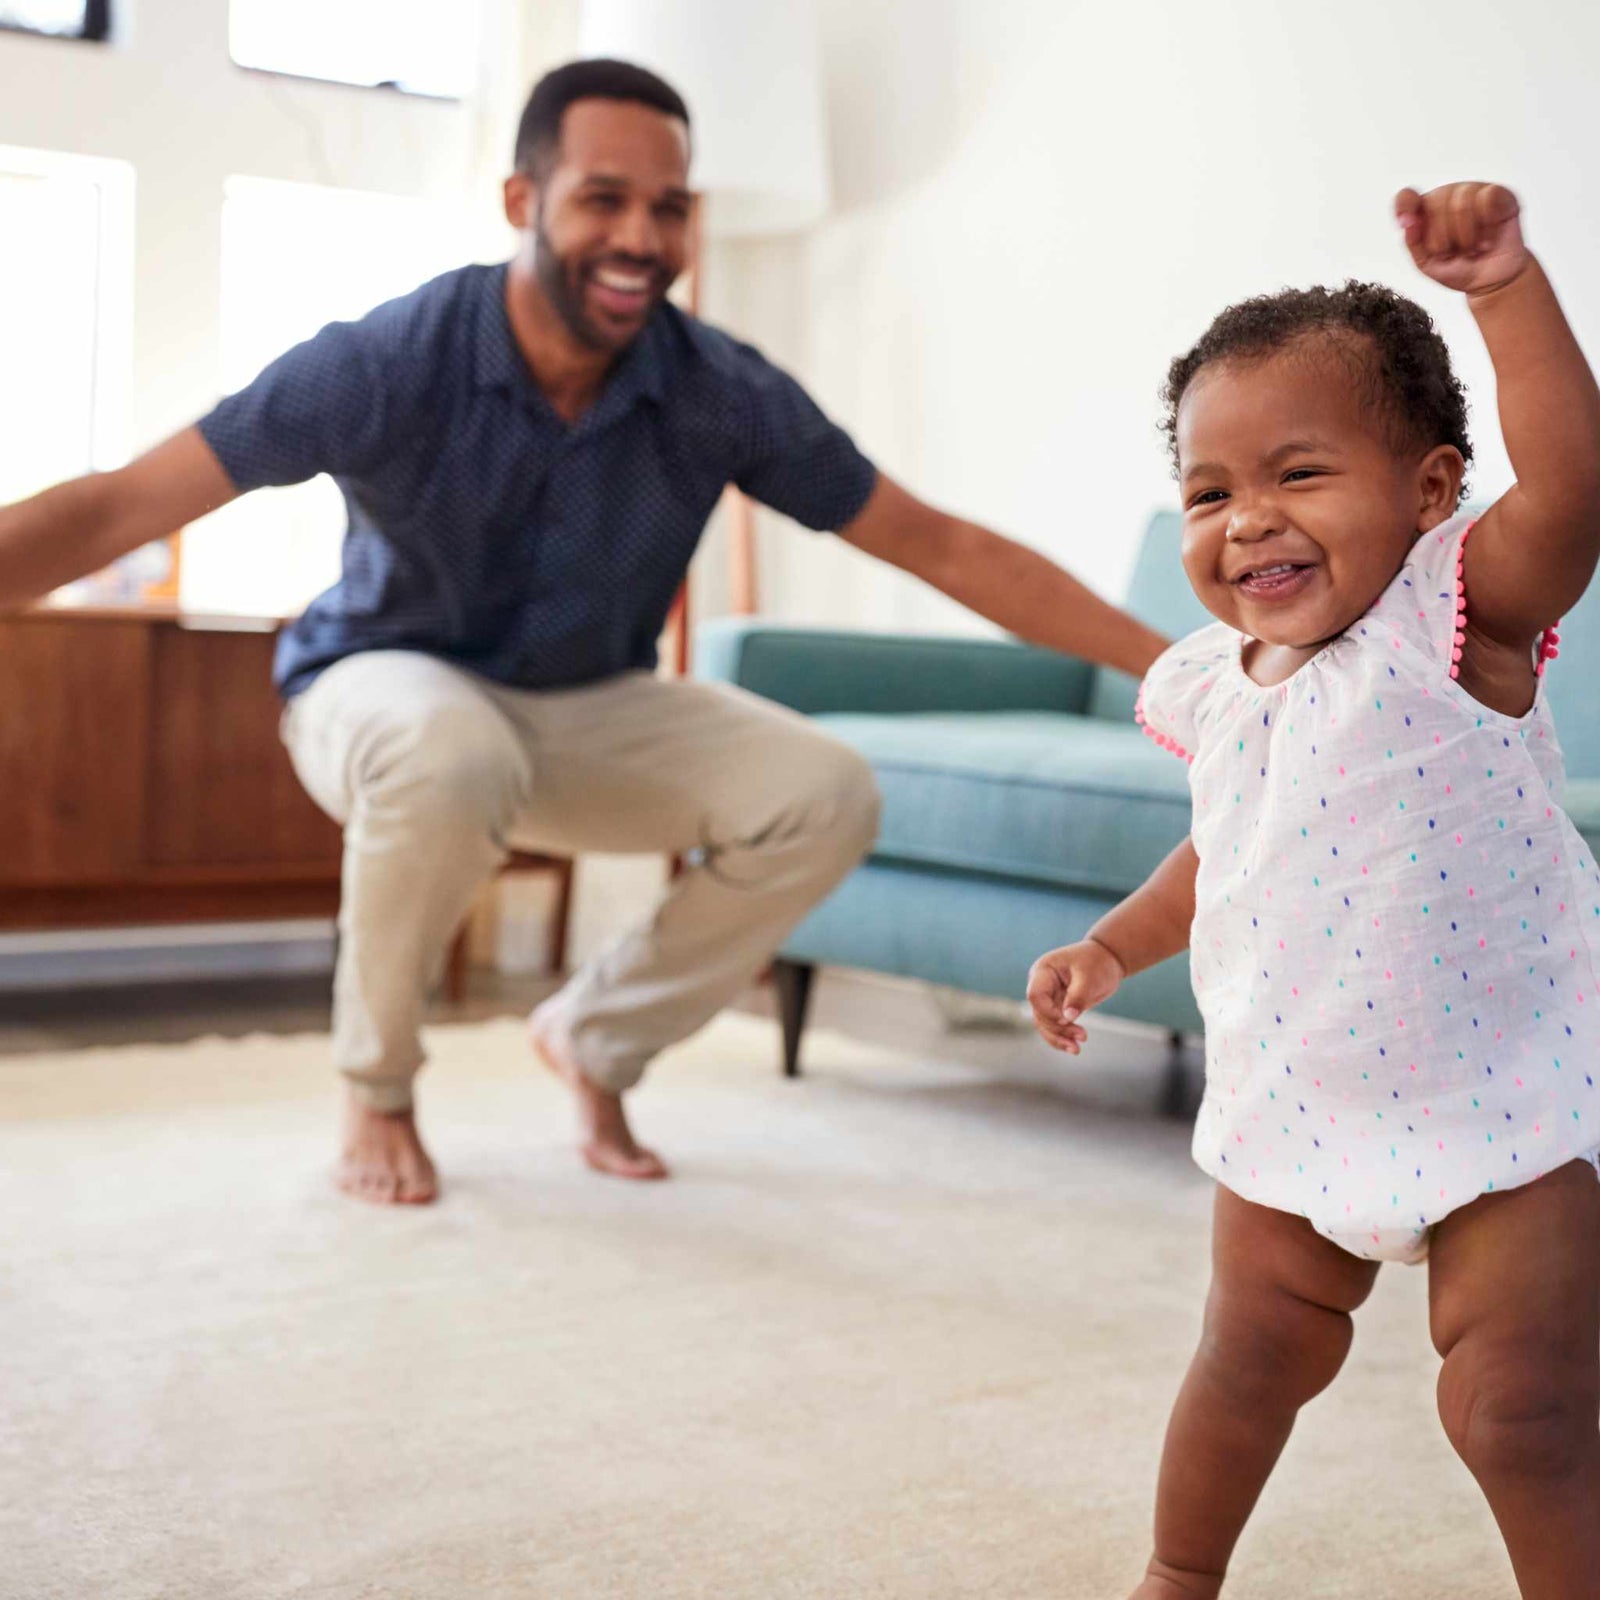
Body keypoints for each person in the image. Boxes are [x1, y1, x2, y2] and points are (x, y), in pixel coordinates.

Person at [0, 59, 1166, 1206]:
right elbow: (116, 505)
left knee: (826, 789)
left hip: (585, 703)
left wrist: (1176, 671)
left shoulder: (717, 387)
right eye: (603, 198)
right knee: (447, 747)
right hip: (379, 686)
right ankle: (379, 1086)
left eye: (668, 208)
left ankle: (594, 1039)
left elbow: (937, 542)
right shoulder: (391, 357)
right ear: (524, 202)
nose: (640, 237)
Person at [1027, 182, 1600, 1599]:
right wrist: (1112, 945)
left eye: (1299, 473)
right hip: (1300, 1084)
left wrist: (1505, 292)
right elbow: (1232, 848)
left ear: (1428, 491)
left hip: (1503, 1094)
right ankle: (1177, 1573)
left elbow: (1577, 486)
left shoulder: (1455, 624)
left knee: (1518, 1410)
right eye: (1210, 491)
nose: (1249, 520)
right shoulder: (1221, 687)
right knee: (1249, 1356)